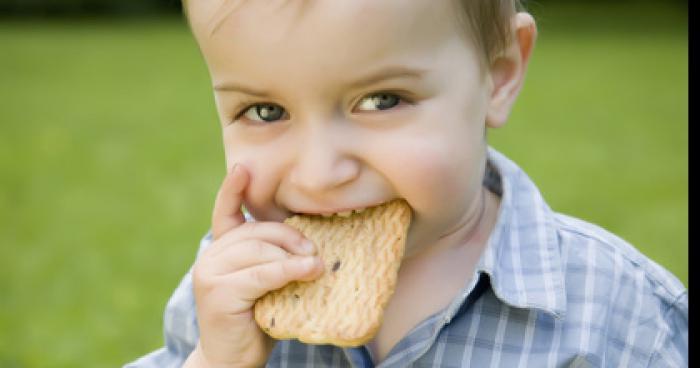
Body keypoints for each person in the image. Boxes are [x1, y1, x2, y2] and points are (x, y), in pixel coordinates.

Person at [126, 0, 688, 366]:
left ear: (498, 74)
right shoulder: (231, 292)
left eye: (382, 100)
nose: (320, 174)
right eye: (266, 112)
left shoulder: (617, 314)